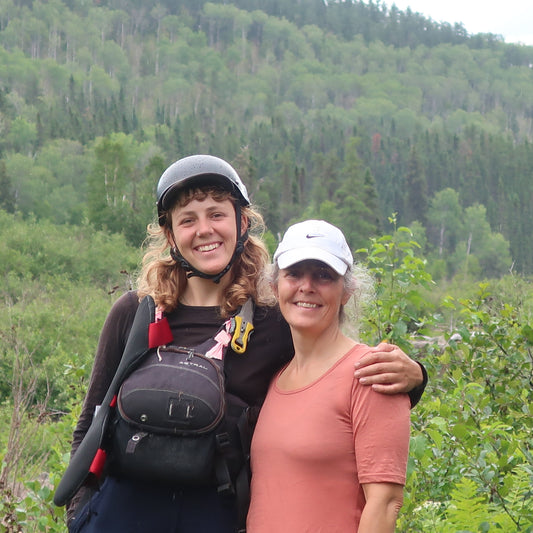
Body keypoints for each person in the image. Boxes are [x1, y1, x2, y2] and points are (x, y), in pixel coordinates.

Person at [64, 156, 425, 533]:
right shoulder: (135, 311)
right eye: (187, 219)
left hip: (213, 515)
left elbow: (335, 374)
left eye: (217, 214)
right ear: (170, 236)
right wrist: (79, 515)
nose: (204, 230)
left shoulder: (274, 320)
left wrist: (416, 377)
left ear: (242, 223)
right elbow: (92, 421)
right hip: (120, 514)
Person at [247, 219, 412, 533]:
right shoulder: (274, 378)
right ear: (274, 286)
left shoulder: (371, 373)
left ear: (347, 291)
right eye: (294, 273)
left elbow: (385, 503)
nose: (306, 286)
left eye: (324, 275)